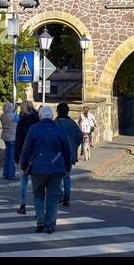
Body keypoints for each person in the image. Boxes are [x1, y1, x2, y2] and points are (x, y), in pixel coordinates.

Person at [18, 105, 74, 233]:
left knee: (38, 195)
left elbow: (27, 150)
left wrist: (23, 165)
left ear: (40, 116)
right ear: (52, 116)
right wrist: (67, 167)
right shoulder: (59, 129)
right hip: (57, 168)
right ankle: (50, 224)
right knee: (53, 197)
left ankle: (40, 222)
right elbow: (67, 151)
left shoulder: (34, 129)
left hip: (38, 168)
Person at [13, 98, 39, 213]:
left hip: (24, 154)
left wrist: (16, 157)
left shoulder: (22, 122)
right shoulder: (38, 120)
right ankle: (38, 207)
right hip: (36, 154)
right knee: (36, 182)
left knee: (23, 181)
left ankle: (23, 205)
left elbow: (18, 141)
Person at [55, 103, 83, 207]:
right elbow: (79, 136)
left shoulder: (56, 123)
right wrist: (74, 147)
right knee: (66, 176)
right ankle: (67, 197)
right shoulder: (72, 123)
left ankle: (60, 195)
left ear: (58, 111)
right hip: (70, 154)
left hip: (58, 154)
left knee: (57, 176)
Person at [0, 100, 19, 181]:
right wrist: (16, 109)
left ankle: (5, 174)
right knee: (12, 158)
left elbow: (10, 114)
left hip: (5, 137)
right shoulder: (14, 117)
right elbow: (18, 119)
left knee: (7, 156)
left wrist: (14, 109)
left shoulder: (2, 116)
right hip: (13, 138)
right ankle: (11, 175)